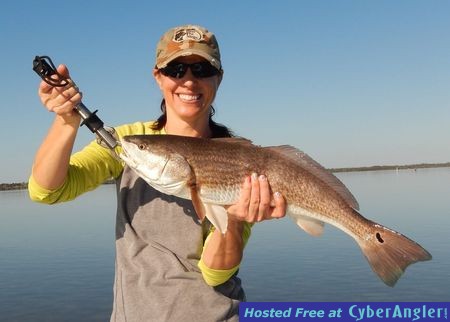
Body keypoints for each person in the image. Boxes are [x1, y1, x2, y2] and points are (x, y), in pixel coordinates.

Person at [29, 24, 286, 322]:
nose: (188, 81)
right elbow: (47, 191)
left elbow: (216, 274)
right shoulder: (129, 141)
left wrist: (236, 218)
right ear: (158, 76)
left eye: (201, 69)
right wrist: (65, 121)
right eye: (176, 69)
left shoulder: (241, 162)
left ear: (219, 77)